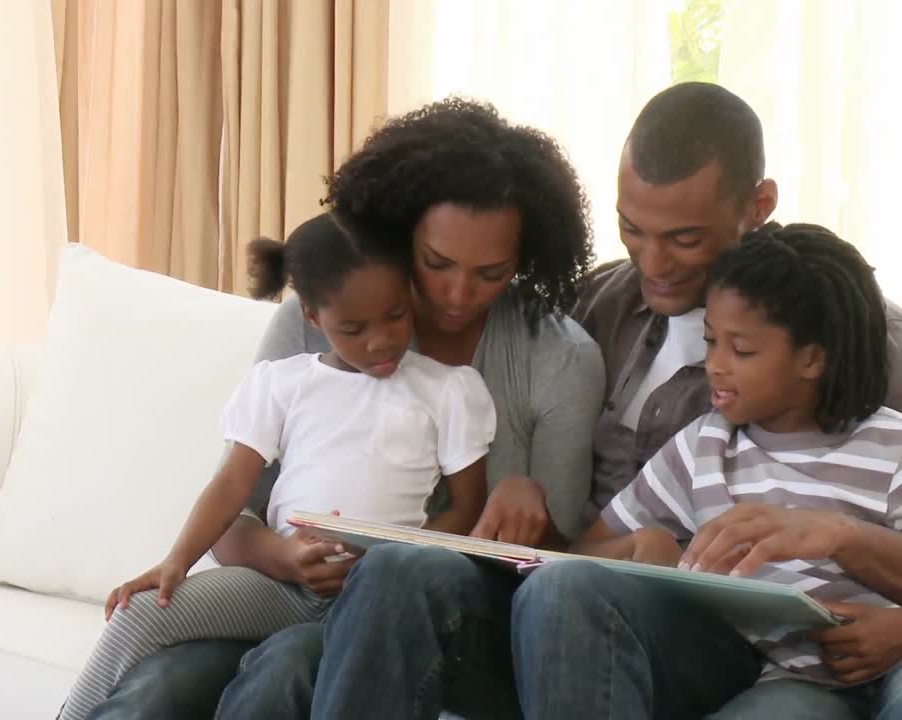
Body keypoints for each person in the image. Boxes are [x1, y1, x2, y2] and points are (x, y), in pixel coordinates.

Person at [290, 83, 902, 719]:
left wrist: (865, 574)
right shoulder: (595, 311)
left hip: (721, 643)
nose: (652, 263)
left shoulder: (862, 341)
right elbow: (577, 546)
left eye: (683, 238)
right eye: (631, 230)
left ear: (758, 206)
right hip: (574, 614)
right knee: (397, 581)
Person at [84, 98, 605, 719]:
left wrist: (527, 501)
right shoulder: (311, 326)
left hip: (453, 617)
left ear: (526, 260)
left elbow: (560, 570)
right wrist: (288, 561)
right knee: (156, 690)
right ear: (400, 229)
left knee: (287, 667)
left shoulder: (558, 359)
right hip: (285, 590)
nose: (457, 295)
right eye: (435, 263)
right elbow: (238, 507)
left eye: (490, 273)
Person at [557, 224, 902, 719]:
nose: (716, 366)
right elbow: (584, 554)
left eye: (741, 350)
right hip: (796, 676)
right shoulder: (703, 448)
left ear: (811, 360)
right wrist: (639, 549)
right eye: (711, 342)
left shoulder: (894, 445)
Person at [60, 210, 497, 719]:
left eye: (396, 316)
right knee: (139, 613)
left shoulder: (447, 390)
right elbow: (230, 487)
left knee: (286, 667)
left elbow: (468, 505)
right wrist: (175, 563)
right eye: (353, 328)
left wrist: (388, 569)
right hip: (279, 586)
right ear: (312, 317)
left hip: (373, 603)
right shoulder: (282, 384)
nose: (380, 341)